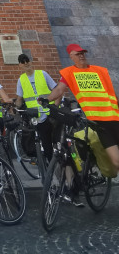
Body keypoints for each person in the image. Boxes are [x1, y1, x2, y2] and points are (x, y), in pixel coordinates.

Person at [46, 43, 119, 172]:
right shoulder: (69, 73)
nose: (81, 56)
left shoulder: (100, 70)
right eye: (78, 54)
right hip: (99, 122)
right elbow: (59, 90)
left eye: (83, 53)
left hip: (115, 117)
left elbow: (112, 93)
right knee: (116, 161)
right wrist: (46, 100)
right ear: (71, 56)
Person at [16, 53, 57, 161]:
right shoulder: (21, 80)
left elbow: (56, 90)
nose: (26, 63)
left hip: (50, 113)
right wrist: (14, 109)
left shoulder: (42, 74)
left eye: (27, 60)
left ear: (31, 61)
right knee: (46, 144)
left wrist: (56, 106)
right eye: (22, 62)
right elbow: (19, 99)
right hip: (36, 116)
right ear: (20, 65)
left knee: (58, 140)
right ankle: (51, 168)